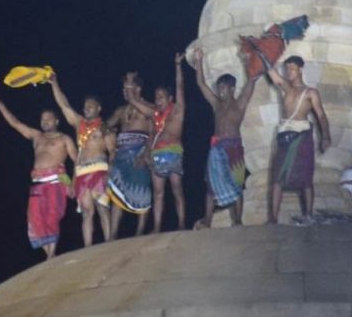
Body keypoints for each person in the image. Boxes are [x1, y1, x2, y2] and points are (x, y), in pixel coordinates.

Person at [0, 92, 77, 259]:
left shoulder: (64, 139)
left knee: (52, 215)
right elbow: (15, 123)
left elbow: (77, 161)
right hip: (37, 182)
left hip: (57, 179)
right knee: (35, 218)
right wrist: (0, 105)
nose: (45, 122)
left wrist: (73, 184)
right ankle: (48, 252)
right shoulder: (37, 136)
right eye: (43, 119)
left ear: (57, 121)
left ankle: (52, 254)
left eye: (49, 119)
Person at [192, 47, 260, 228]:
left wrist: (248, 61)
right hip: (216, 148)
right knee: (210, 187)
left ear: (231, 88)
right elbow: (201, 84)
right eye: (218, 87)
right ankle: (207, 220)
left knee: (237, 184)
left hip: (233, 147)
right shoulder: (216, 104)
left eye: (223, 87)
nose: (220, 90)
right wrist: (199, 61)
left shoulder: (239, 104)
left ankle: (237, 220)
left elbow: (251, 82)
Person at [48, 73, 116, 246]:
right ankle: (88, 248)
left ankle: (109, 243)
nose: (86, 108)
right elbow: (64, 105)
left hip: (100, 169)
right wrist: (54, 84)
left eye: (90, 106)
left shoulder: (105, 128)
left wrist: (110, 173)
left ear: (98, 109)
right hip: (82, 171)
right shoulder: (79, 124)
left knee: (102, 208)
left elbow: (113, 152)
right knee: (87, 212)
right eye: (85, 106)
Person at [125, 53, 187, 232]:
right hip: (157, 155)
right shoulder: (154, 114)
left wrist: (177, 65)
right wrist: (130, 82)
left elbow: (180, 87)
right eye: (156, 97)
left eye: (161, 97)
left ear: (170, 99)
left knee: (177, 190)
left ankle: (182, 223)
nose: (158, 100)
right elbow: (133, 100)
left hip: (174, 152)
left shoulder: (177, 111)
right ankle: (157, 227)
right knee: (158, 194)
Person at [266, 55, 331, 223]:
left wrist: (326, 136)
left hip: (302, 137)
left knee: (306, 178)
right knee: (277, 177)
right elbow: (273, 75)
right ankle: (273, 218)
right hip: (284, 137)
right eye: (287, 69)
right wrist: (262, 54)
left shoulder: (310, 93)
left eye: (292, 69)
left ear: (301, 69)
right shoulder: (286, 88)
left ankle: (308, 215)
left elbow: (321, 115)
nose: (289, 72)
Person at [105, 72, 153, 238]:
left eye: (129, 87)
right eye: (123, 88)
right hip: (121, 154)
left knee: (142, 190)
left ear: (138, 89)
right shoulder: (121, 110)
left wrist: (146, 153)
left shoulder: (148, 108)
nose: (125, 91)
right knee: (116, 192)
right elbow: (106, 125)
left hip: (140, 152)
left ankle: (140, 233)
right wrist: (108, 133)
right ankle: (112, 235)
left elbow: (154, 132)